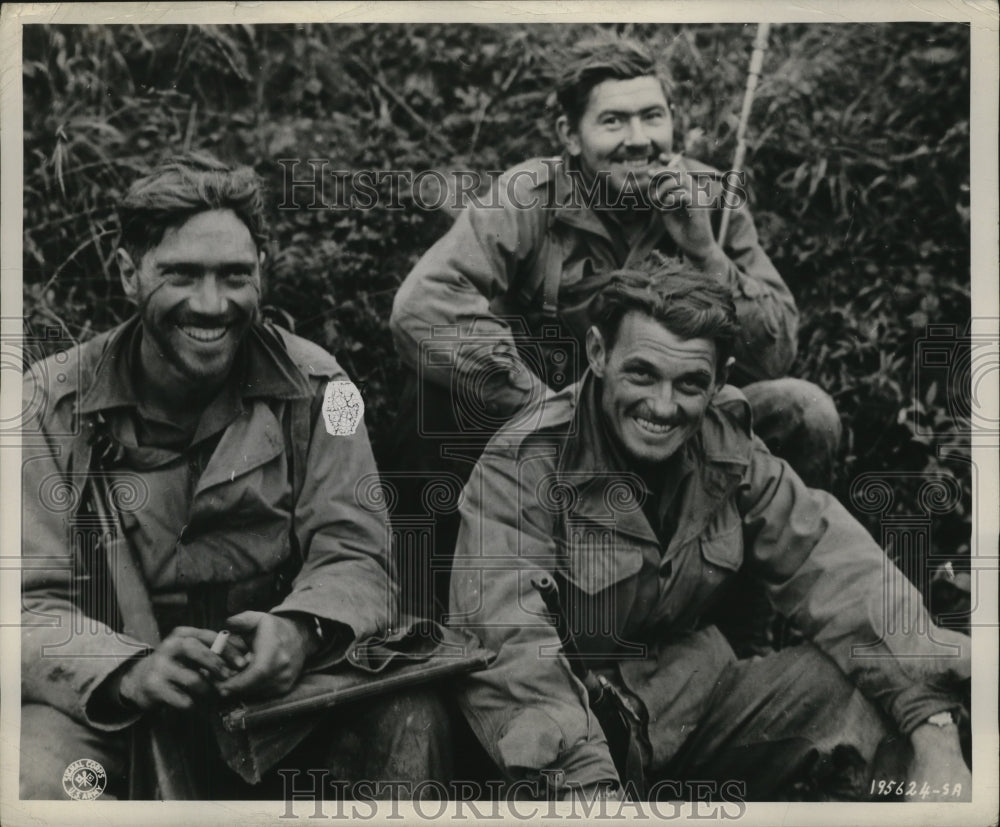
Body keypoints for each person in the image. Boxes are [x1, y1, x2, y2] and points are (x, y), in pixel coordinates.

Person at [448, 262, 971, 802]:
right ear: (599, 354)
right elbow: (512, 650)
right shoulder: (524, 463)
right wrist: (591, 793)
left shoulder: (727, 442)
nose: (663, 406)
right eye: (642, 374)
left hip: (688, 709)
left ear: (720, 379)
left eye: (691, 383)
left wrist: (933, 729)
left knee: (865, 701)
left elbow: (835, 564)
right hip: (571, 730)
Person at [20, 154, 450, 800]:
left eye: (234, 275)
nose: (212, 304)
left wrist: (301, 629)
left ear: (263, 275)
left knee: (410, 722)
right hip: (111, 714)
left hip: (280, 709)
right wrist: (129, 670)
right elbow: (22, 604)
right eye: (182, 275)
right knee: (35, 775)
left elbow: (357, 552)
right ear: (128, 275)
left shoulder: (324, 390)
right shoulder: (42, 406)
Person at [387, 35, 838, 621]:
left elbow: (774, 353)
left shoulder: (708, 200)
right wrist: (544, 409)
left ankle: (746, 621)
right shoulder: (531, 195)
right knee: (431, 394)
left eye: (653, 117)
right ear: (569, 136)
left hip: (668, 425)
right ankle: (427, 616)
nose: (638, 140)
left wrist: (703, 249)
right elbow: (421, 309)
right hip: (551, 430)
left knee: (805, 410)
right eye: (613, 121)